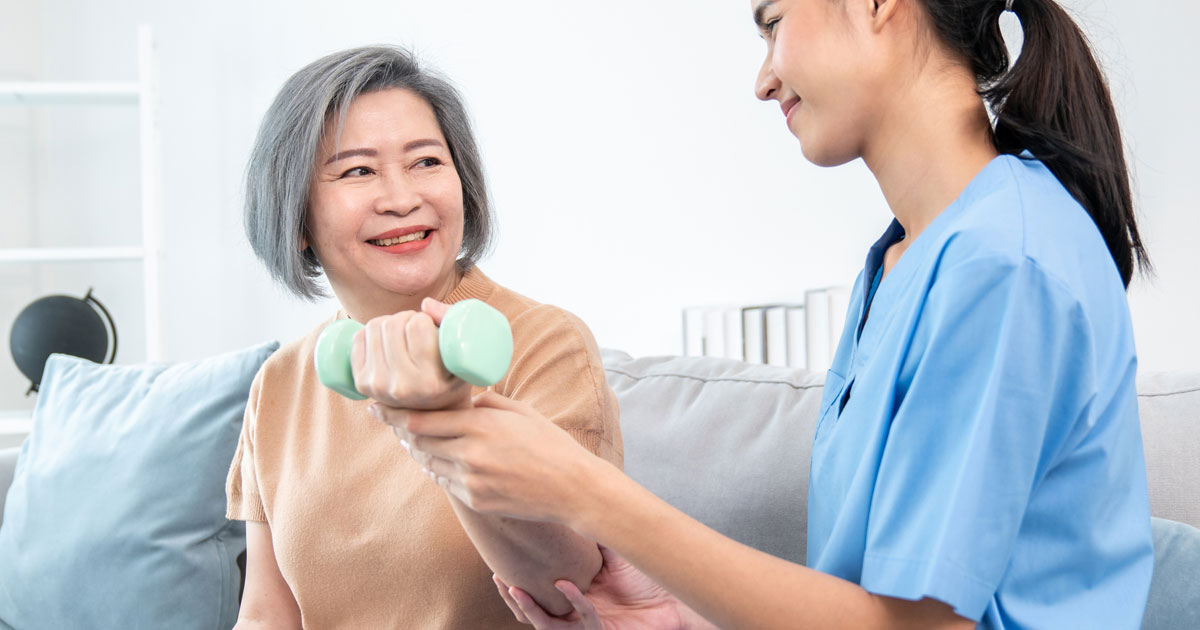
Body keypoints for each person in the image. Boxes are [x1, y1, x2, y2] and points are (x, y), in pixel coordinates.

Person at [378, 0, 1156, 627]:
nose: (763, 80)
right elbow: (869, 607)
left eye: (774, 23)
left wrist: (585, 490)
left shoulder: (1005, 262)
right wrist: (682, 617)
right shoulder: (903, 263)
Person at [225, 45, 623, 629]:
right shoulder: (281, 381)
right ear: (297, 216)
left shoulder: (545, 344)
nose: (403, 198)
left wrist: (439, 419)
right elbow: (265, 614)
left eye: (426, 162)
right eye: (358, 171)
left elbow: (571, 592)